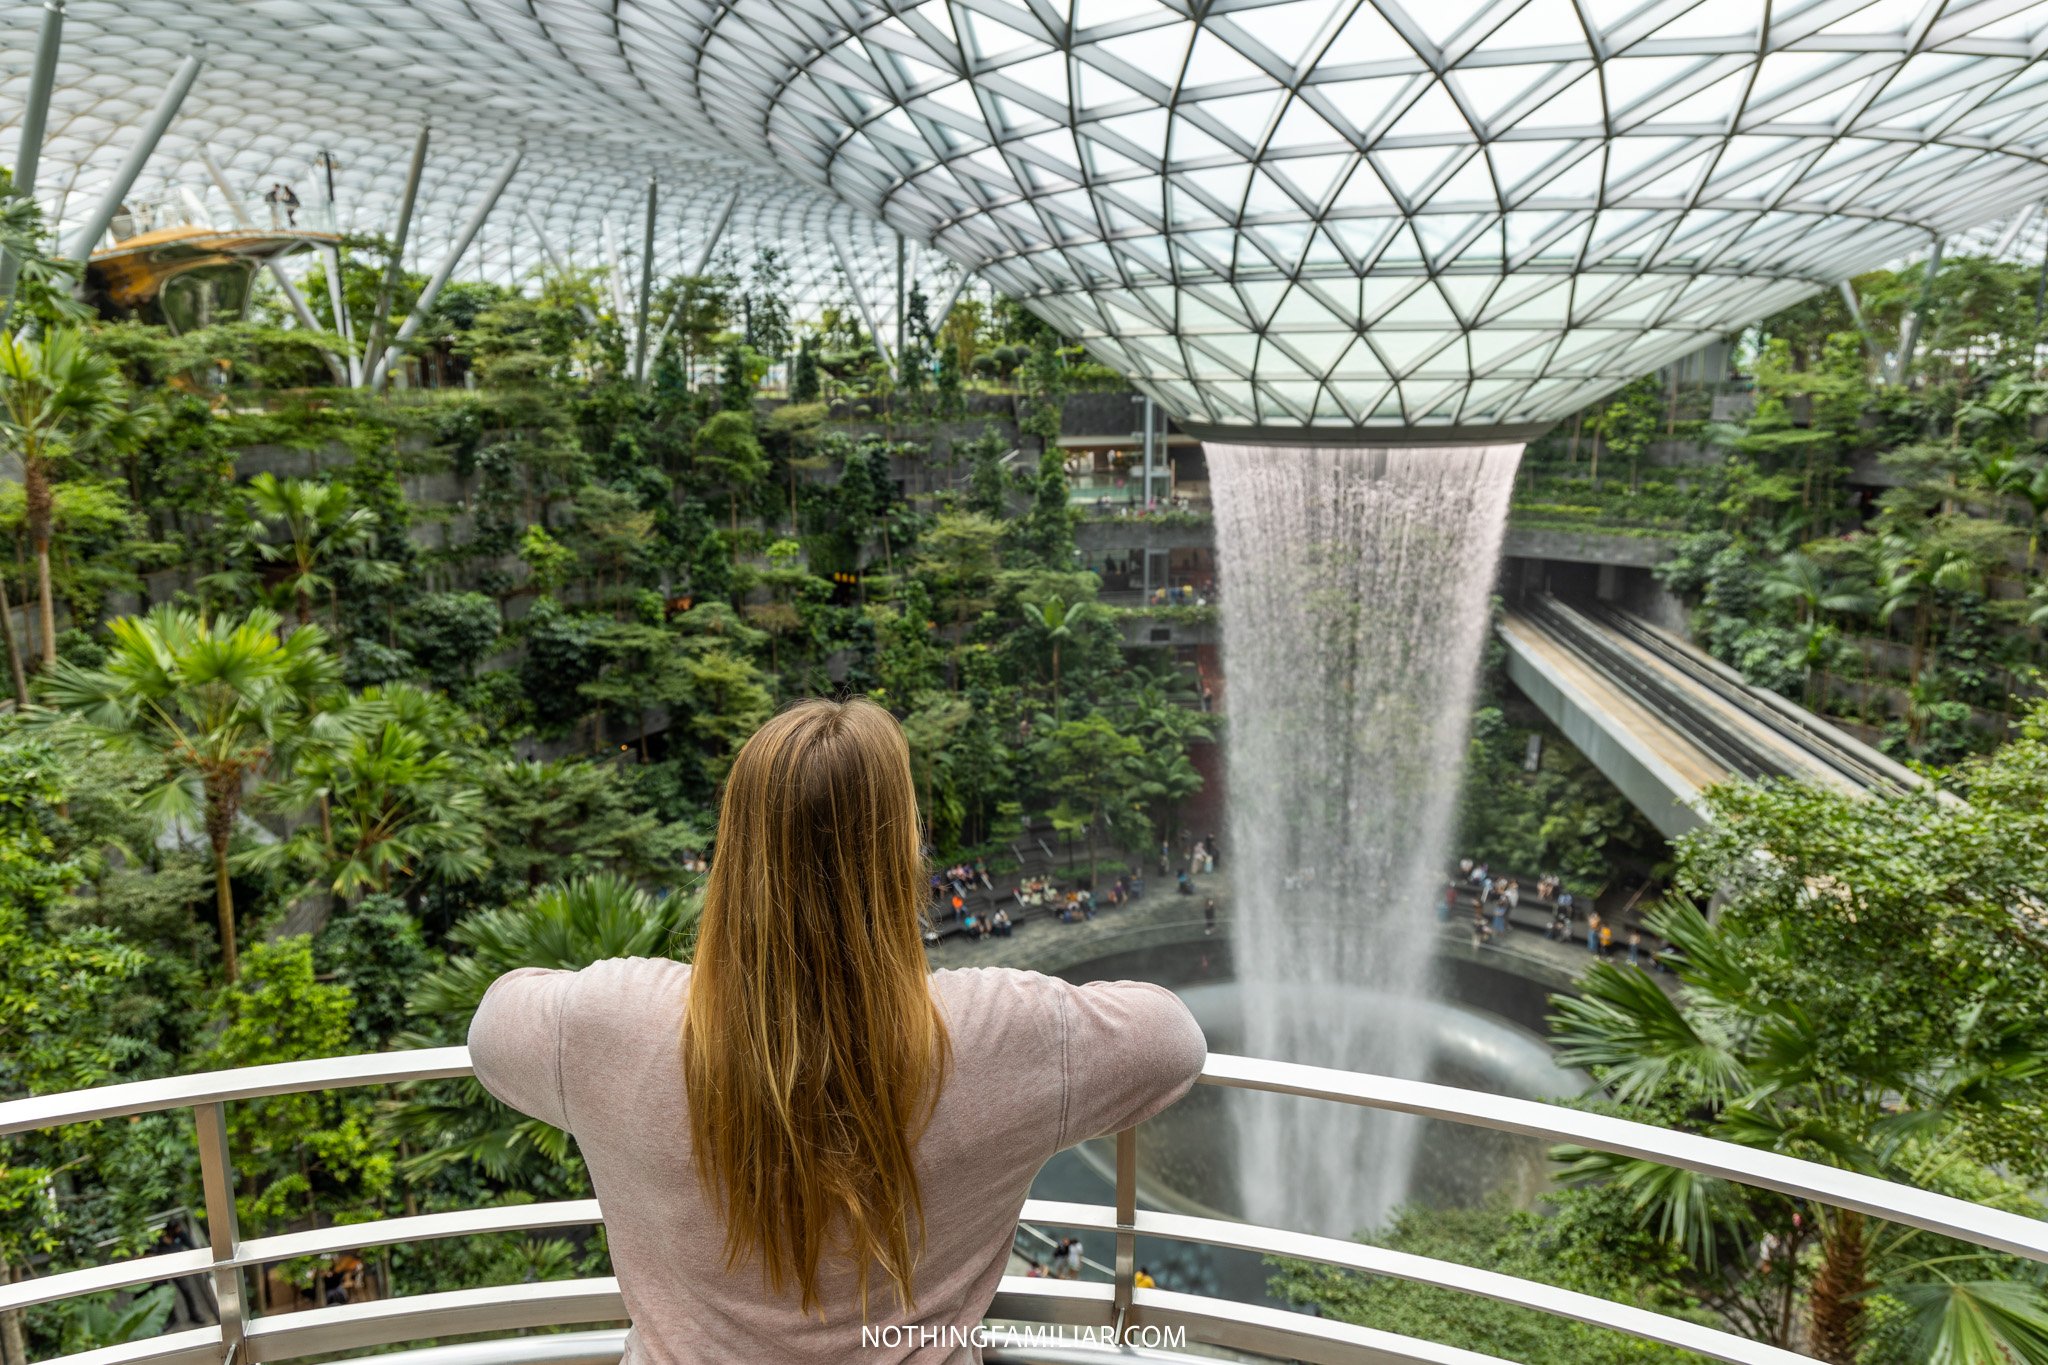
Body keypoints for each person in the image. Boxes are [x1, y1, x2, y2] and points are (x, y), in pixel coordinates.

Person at [469, 698, 1207, 1362]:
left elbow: (495, 1022)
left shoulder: (613, 1019)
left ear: (733, 855)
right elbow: (1173, 1039)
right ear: (900, 858)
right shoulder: (999, 1029)